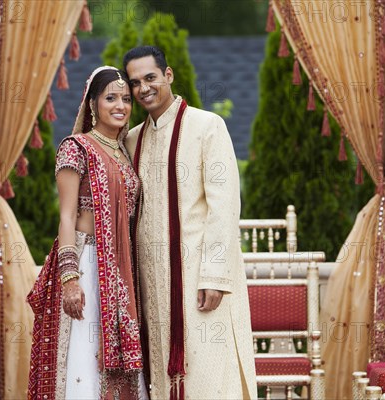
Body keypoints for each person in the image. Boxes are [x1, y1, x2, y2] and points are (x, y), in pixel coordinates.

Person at [123, 46, 257, 400]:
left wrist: (213, 276)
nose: (143, 88)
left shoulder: (207, 126)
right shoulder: (133, 139)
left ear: (168, 75)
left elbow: (224, 206)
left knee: (208, 375)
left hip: (198, 279)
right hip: (152, 284)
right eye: (135, 83)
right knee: (160, 376)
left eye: (150, 77)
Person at [27, 66, 145, 400]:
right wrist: (70, 279)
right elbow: (66, 217)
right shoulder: (76, 147)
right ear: (92, 103)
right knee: (84, 357)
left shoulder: (124, 152)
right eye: (111, 98)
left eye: (125, 99)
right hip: (88, 265)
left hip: (120, 271)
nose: (120, 105)